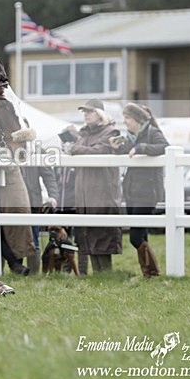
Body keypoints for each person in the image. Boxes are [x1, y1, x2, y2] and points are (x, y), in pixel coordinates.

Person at [62, 99, 122, 273]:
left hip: (102, 193)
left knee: (102, 237)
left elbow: (99, 150)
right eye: (84, 112)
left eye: (90, 111)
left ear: (100, 114)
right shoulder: (84, 134)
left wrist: (74, 149)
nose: (86, 114)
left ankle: (105, 275)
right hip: (84, 194)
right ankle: (98, 276)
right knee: (88, 237)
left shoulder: (112, 132)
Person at [110, 103, 169, 277]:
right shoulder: (131, 137)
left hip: (147, 192)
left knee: (135, 237)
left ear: (137, 119)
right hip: (132, 192)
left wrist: (141, 148)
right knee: (142, 235)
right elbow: (127, 152)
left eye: (127, 118)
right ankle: (149, 273)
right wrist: (117, 148)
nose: (125, 121)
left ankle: (152, 271)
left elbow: (165, 147)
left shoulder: (153, 133)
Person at [21, 152, 59, 273]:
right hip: (10, 200)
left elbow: (48, 176)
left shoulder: (37, 151)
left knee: (34, 238)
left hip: (32, 201)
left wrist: (53, 195)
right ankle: (17, 270)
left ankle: (33, 273)